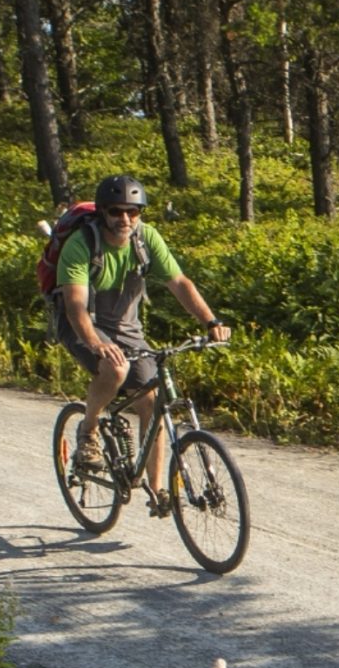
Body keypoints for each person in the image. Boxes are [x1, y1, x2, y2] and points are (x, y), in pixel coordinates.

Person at [52, 174, 231, 514]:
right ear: (103, 212)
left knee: (152, 397)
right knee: (115, 367)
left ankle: (158, 489)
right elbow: (75, 305)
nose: (126, 220)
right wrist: (94, 343)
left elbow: (179, 282)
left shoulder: (146, 239)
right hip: (80, 323)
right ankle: (88, 431)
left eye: (134, 212)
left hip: (125, 326)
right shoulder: (81, 243)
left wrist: (211, 321)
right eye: (117, 212)